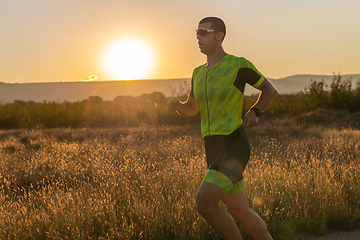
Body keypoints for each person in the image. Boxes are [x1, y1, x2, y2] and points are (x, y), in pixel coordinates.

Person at [167, 17, 277, 240]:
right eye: (196, 32)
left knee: (205, 203)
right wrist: (179, 107)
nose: (198, 37)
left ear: (219, 36)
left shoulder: (237, 64)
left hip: (233, 143)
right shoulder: (198, 73)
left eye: (203, 32)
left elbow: (268, 89)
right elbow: (192, 109)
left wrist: (256, 111)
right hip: (213, 147)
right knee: (240, 210)